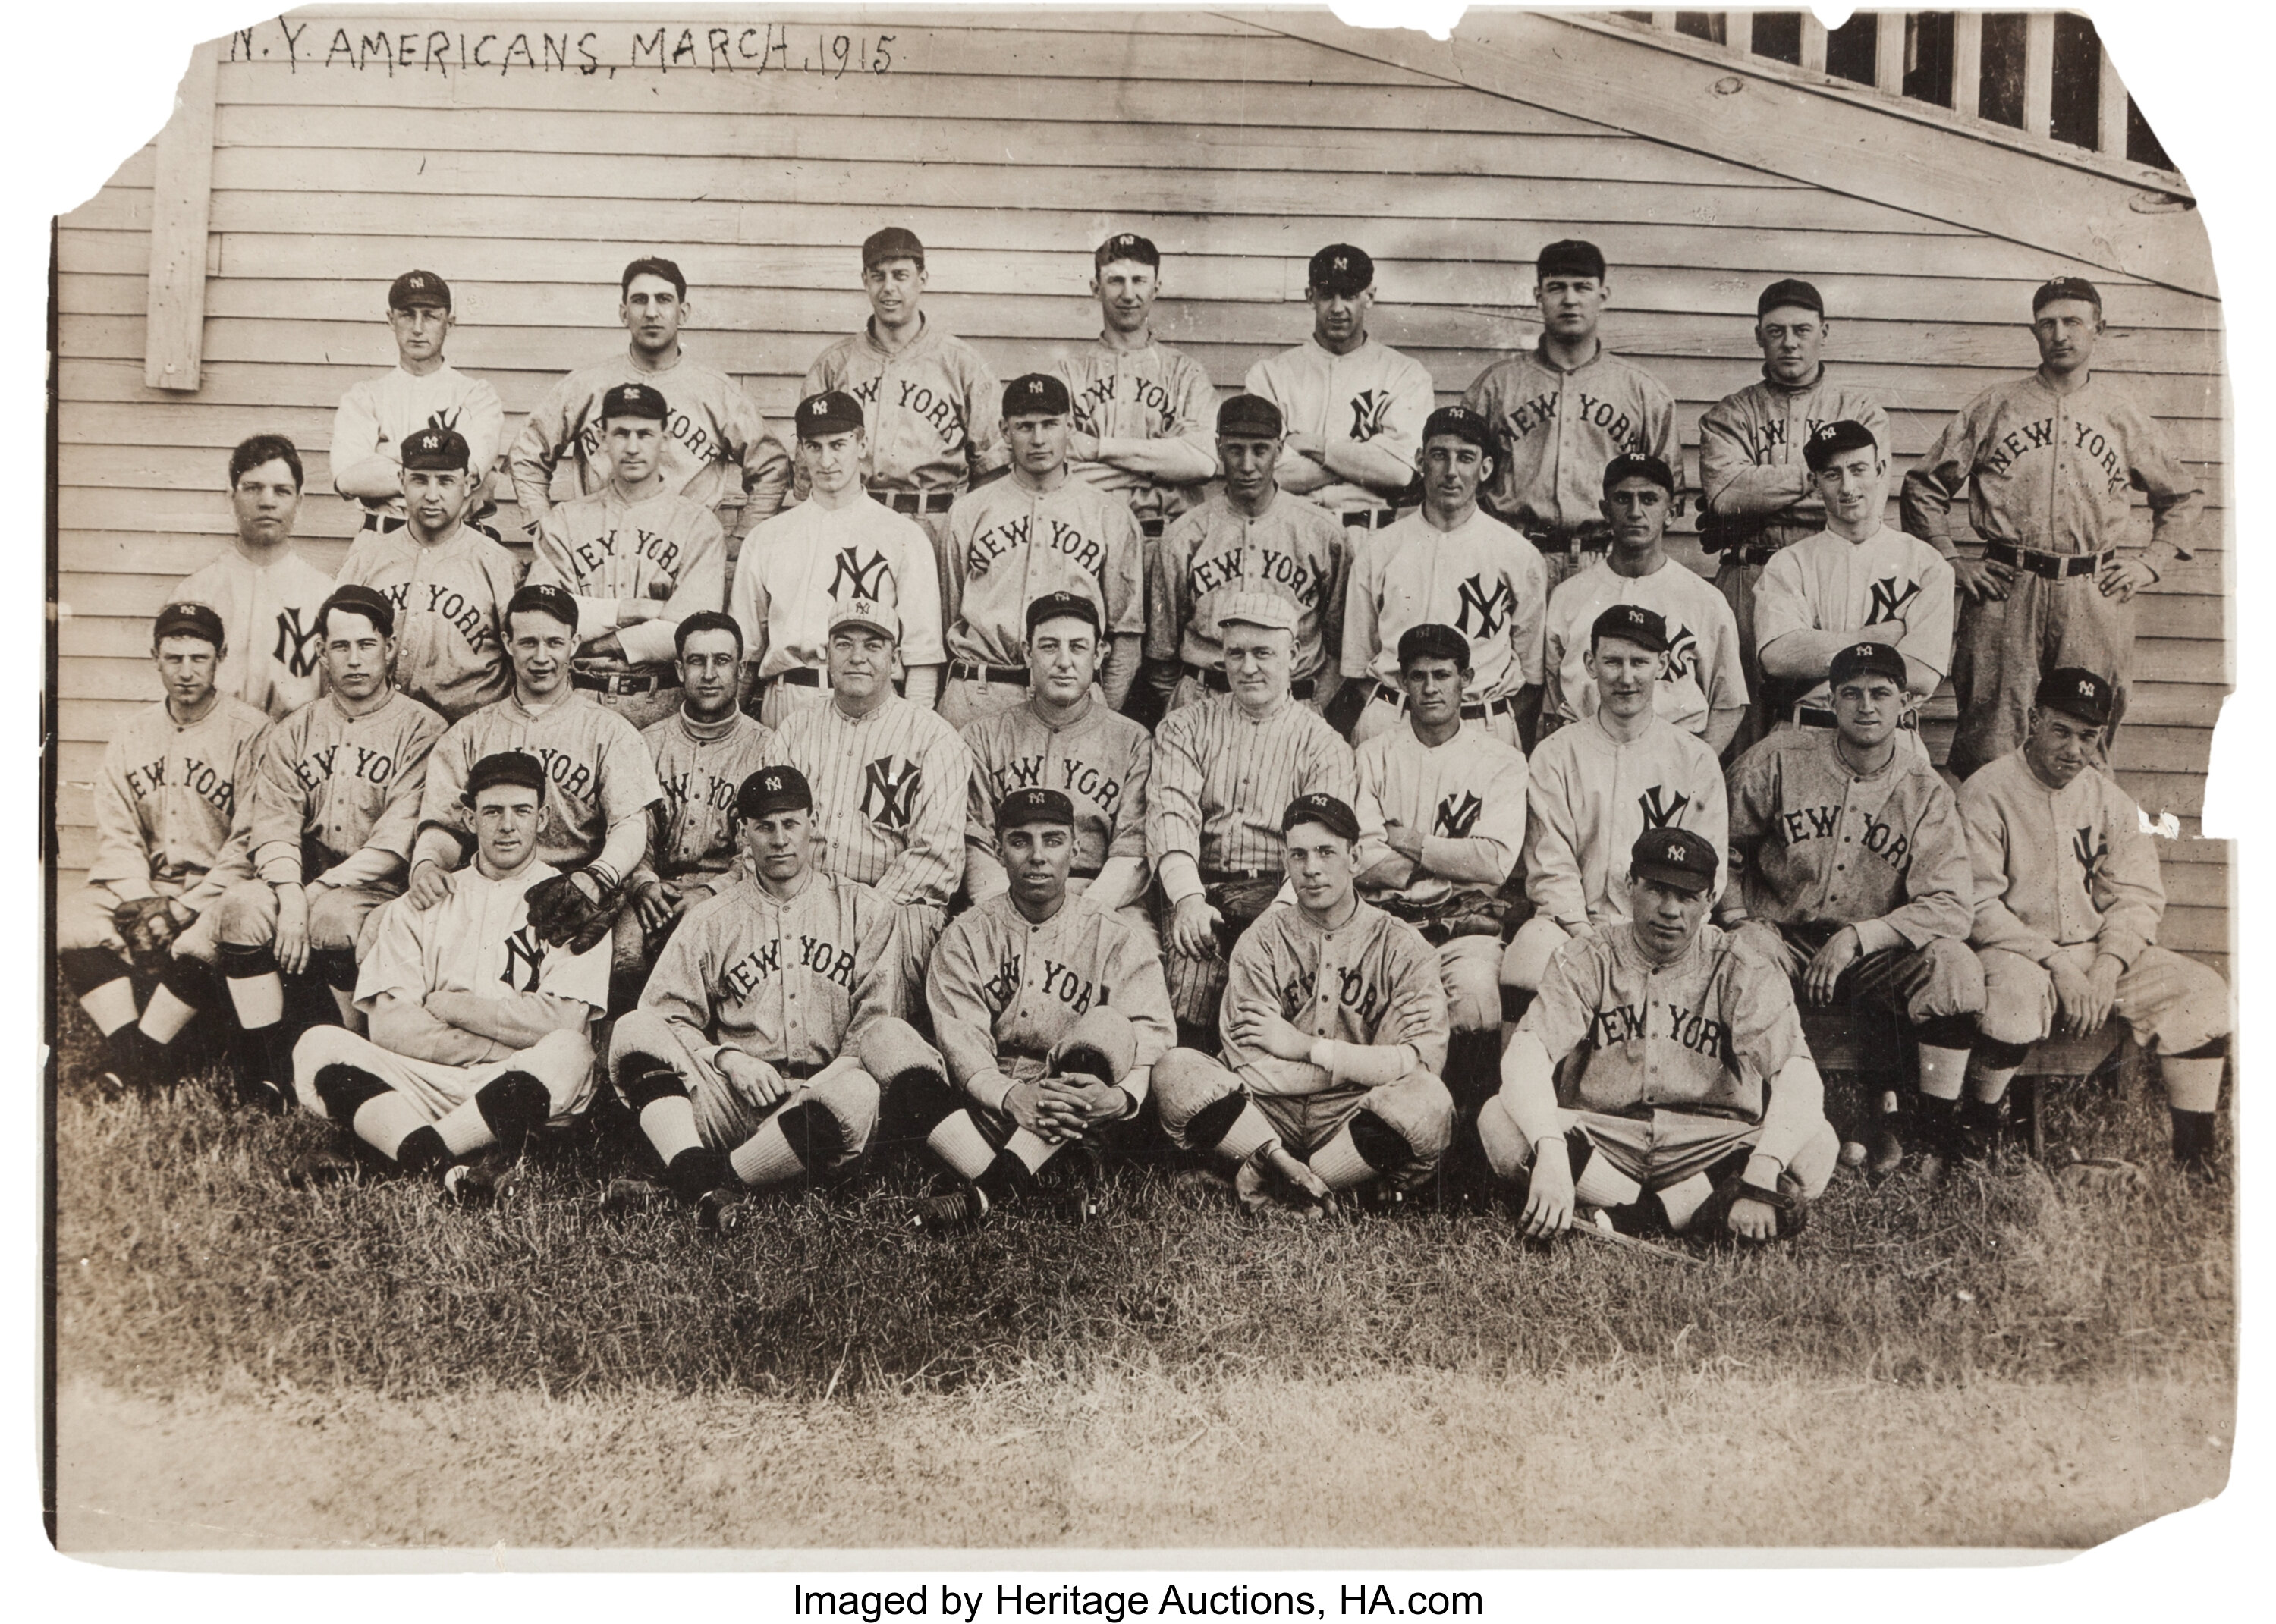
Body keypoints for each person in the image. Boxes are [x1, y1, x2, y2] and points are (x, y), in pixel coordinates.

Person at [1901, 276, 2203, 777]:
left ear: (2097, 330)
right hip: (2006, 590)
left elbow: (2182, 496)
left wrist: (2150, 563)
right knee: (1991, 738)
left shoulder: (2121, 415)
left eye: (2073, 322)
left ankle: (2073, 854)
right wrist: (1953, 562)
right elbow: (1923, 488)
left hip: (2092, 592)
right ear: (2034, 331)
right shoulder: (1995, 406)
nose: (2060, 334)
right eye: (2048, 323)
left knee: (2084, 736)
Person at [1480, 827, 1838, 1242]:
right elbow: (1528, 1054)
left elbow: (1796, 1073)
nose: (1670, 910)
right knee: (1499, 1121)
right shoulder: (1588, 956)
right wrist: (1552, 1151)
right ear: (1631, 885)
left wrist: (1763, 1166)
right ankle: (1685, 1211)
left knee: (1816, 1146)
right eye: (1657, 890)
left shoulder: (1742, 965)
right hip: (1604, 1136)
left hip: (1709, 1143)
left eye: (1687, 896)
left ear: (1709, 901)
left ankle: (1628, 1218)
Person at [289, 751, 607, 1201]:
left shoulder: (571, 902)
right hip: (427, 1079)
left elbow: (561, 1024)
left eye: (522, 810)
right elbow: (389, 1027)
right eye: (492, 811)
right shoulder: (424, 900)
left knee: (570, 1052)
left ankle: (397, 1151)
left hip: (517, 1080)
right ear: (469, 817)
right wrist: (498, 1037)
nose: (507, 825)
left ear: (544, 817)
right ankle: (449, 1164)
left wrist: (450, 1005)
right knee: (318, 1045)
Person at [1947, 669, 2230, 1174]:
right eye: (2061, 730)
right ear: (2033, 722)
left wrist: (2105, 968)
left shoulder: (2110, 800)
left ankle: (2195, 1159)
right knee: (2011, 1002)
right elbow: (1977, 904)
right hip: (2016, 950)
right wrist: (2058, 964)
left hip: (2097, 953)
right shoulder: (1986, 792)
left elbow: (2138, 897)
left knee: (2203, 991)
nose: (2075, 749)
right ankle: (1976, 1134)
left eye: (2088, 736)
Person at [604, 766, 911, 1228]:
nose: (779, 839)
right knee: (633, 1028)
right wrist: (729, 1060)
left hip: (821, 1099)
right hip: (735, 1097)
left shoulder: (865, 910)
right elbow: (666, 1015)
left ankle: (699, 1183)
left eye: (791, 823)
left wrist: (816, 1087)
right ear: (743, 833)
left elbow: (875, 1027)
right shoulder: (712, 917)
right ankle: (721, 1177)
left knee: (859, 1090)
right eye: (764, 826)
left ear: (814, 823)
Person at [1721, 640, 1983, 1176]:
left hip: (1872, 951)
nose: (1866, 706)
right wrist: (1738, 919)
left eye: (1881, 693)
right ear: (1832, 702)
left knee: (1956, 967)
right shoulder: (1778, 758)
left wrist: (1858, 939)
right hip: (1784, 936)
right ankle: (1760, 1119)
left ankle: (1932, 1133)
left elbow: (1951, 903)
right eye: (1852, 693)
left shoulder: (1924, 789)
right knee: (1742, 953)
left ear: (1905, 706)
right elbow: (1721, 847)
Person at [1152, 793, 1453, 1213]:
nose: (1311, 869)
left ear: (1355, 857)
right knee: (1175, 1070)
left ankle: (1280, 1178)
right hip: (1268, 1112)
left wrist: (1307, 1047)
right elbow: (1250, 1065)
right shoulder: (1262, 939)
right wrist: (1368, 1064)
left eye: (1326, 852)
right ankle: (1293, 1170)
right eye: (1298, 855)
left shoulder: (1403, 947)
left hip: (1353, 1116)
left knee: (1429, 1101)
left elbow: (1423, 1065)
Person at [208, 586, 448, 1108]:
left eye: (367, 644)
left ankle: (349, 1061)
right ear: (322, 653)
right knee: (241, 906)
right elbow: (273, 825)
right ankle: (267, 1069)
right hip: (301, 876)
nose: (355, 658)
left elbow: (396, 840)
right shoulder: (296, 729)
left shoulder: (424, 728)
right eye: (341, 646)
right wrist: (290, 895)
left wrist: (309, 896)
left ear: (390, 647)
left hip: (378, 885)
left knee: (333, 917)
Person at [899, 787, 1176, 1230]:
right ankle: (1039, 1183)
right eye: (1020, 840)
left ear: (1076, 847)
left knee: (1106, 1024)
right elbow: (963, 1047)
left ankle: (987, 1193)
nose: (1038, 856)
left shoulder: (1114, 934)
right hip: (988, 1110)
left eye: (1053, 839)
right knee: (887, 1041)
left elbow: (1151, 1035)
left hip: (1082, 1108)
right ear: (998, 849)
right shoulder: (967, 934)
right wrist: (1011, 1098)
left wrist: (1120, 1098)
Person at [57, 602, 269, 1095]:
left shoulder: (250, 731)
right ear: (155, 657)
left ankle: (139, 1060)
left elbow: (249, 841)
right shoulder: (132, 734)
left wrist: (181, 906)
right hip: (144, 889)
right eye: (174, 658)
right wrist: (140, 901)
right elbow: (118, 831)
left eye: (199, 657)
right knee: (70, 918)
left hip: (214, 888)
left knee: (218, 925)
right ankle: (134, 1048)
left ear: (222, 657)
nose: (187, 671)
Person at [407, 584, 663, 972]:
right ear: (508, 643)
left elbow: (629, 825)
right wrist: (427, 865)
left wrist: (597, 877)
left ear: (574, 643)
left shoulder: (610, 731)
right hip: (486, 888)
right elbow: (443, 824)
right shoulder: (470, 732)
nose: (542, 658)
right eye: (528, 643)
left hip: (575, 890)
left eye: (554, 643)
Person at [1147, 594, 1356, 1044]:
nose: (1247, 668)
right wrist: (1186, 900)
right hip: (1203, 893)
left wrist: (1280, 917)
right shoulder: (1184, 726)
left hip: (1286, 897)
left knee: (1276, 1008)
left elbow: (1320, 850)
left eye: (1263, 653)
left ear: (1293, 656)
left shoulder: (1323, 744)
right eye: (1236, 653)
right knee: (1189, 993)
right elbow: (1171, 817)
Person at [1697, 278, 1890, 757]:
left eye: (1802, 330)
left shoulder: (1860, 410)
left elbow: (1864, 499)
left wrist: (1762, 487)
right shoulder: (1731, 413)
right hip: (1750, 574)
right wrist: (1821, 475)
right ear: (1758, 335)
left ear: (1824, 331)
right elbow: (1725, 495)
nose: (1789, 342)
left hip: (1830, 576)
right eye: (1776, 331)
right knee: (1744, 719)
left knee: (1825, 716)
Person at [1504, 605, 1727, 1018]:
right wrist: (1589, 938)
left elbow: (1707, 871)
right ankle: (1526, 1080)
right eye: (1613, 662)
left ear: (1662, 665)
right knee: (1529, 953)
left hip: (1667, 930)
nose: (1627, 677)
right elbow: (1550, 867)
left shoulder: (1694, 758)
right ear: (1590, 664)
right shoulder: (1556, 753)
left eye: (1640, 662)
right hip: (1575, 927)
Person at [1350, 624, 1529, 1137]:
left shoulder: (1501, 761)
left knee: (1475, 993)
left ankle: (1468, 1132)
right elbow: (1361, 860)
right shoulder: (1374, 755)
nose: (1430, 688)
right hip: (1387, 919)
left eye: (1443, 675)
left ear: (1466, 679)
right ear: (1403, 683)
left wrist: (1411, 841)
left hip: (1465, 922)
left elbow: (1494, 862)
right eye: (1418, 676)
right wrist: (1448, 857)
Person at [509, 256, 789, 545]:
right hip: (598, 548)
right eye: (640, 300)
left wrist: (742, 538)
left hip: (685, 551)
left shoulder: (717, 392)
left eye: (664, 300)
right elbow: (528, 451)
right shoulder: (586, 385)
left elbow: (771, 467)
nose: (652, 312)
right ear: (623, 313)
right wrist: (543, 524)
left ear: (683, 312)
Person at [761, 594, 971, 976]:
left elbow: (935, 857)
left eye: (873, 645)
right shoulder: (794, 730)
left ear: (895, 659)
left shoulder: (934, 739)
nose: (857, 657)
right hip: (798, 898)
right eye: (845, 644)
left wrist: (855, 918)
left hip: (895, 909)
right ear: (827, 656)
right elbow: (766, 834)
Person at [1462, 240, 1677, 591]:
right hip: (1511, 553)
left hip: (1607, 559)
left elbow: (1669, 494)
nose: (1570, 300)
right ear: (1538, 295)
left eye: (1582, 288)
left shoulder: (1643, 392)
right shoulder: (1496, 386)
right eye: (1557, 288)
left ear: (1603, 295)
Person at [937, 373, 1144, 727]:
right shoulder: (970, 511)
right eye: (1025, 426)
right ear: (1005, 431)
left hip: (1071, 702)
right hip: (981, 692)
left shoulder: (1109, 515)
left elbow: (1125, 636)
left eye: (1050, 424)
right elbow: (948, 613)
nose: (1038, 439)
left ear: (1071, 426)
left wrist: (1101, 714)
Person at [729, 390, 948, 725]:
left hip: (871, 705)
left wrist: (915, 732)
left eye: (838, 445)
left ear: (862, 445)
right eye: (814, 446)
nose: (826, 460)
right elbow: (744, 652)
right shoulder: (767, 538)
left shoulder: (902, 536)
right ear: (800, 450)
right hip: (787, 700)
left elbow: (922, 656)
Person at [1338, 404, 1545, 749]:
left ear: (1485, 468)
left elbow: (1531, 677)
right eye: (1439, 455)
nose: (1451, 471)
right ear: (1421, 461)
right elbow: (1358, 667)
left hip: (1482, 723)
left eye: (1466, 458)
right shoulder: (1381, 548)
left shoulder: (1518, 554)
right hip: (1392, 719)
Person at [524, 381, 728, 731]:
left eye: (645, 434)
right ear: (603, 438)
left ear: (665, 440)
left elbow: (692, 633)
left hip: (662, 703)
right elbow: (542, 619)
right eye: (621, 433)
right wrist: (632, 611)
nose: (632, 447)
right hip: (577, 698)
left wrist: (595, 637)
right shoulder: (564, 521)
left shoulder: (698, 525)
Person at [800, 227, 1008, 560]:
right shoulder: (835, 364)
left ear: (922, 278)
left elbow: (994, 468)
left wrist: (966, 528)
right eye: (878, 276)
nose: (889, 288)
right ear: (865, 280)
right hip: (851, 524)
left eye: (901, 275)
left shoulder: (962, 363)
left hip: (935, 525)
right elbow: (805, 469)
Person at [1145, 394, 1347, 716]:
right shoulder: (1185, 535)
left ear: (1279, 451)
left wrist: (1312, 705)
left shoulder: (1322, 532)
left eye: (1260, 450)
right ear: (1218, 448)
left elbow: (1340, 648)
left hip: (1295, 704)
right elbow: (1161, 655)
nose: (1247, 465)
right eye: (1235, 450)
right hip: (1204, 699)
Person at [961, 593, 1152, 931]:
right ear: (1026, 652)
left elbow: (1133, 851)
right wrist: (1006, 912)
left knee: (1143, 959)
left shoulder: (1133, 741)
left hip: (1101, 899)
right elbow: (974, 842)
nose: (1064, 661)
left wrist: (1081, 916)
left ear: (1099, 655)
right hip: (1005, 898)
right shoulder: (983, 737)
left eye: (1078, 647)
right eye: (1049, 646)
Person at [1753, 421, 1954, 741]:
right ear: (1815, 483)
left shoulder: (1926, 563)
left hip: (1894, 738)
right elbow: (1778, 658)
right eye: (1832, 474)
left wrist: (1819, 650)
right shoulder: (1790, 563)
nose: (1847, 487)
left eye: (1858, 469)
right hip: (1808, 732)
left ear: (1880, 469)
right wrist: (1877, 638)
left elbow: (1922, 675)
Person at [1542, 454, 1746, 752]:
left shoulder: (1704, 599)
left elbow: (1729, 704)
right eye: (1623, 499)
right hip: (1586, 756)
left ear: (1672, 511)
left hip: (1673, 755)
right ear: (1605, 510)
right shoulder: (1569, 596)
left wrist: (1696, 769)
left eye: (1649, 499)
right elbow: (1552, 702)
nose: (1635, 511)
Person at [616, 613, 776, 991]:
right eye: (696, 661)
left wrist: (710, 892)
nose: (709, 674)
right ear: (679, 668)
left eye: (721, 661)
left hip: (734, 895)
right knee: (623, 959)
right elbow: (630, 830)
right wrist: (643, 883)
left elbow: (765, 847)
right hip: (654, 893)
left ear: (740, 668)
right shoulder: (647, 743)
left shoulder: (768, 747)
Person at [333, 426, 520, 722]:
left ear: (469, 482)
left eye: (446, 481)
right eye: (420, 480)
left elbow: (521, 660)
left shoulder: (498, 565)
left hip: (466, 736)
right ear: (401, 482)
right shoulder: (366, 561)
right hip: (381, 732)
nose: (432, 495)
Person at [1242, 244, 1432, 530]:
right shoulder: (1270, 375)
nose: (1338, 308)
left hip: (1371, 532)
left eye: (1350, 296)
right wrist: (1362, 458)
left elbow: (1399, 472)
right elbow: (1264, 473)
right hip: (1289, 529)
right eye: (1328, 295)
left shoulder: (1404, 373)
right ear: (1311, 297)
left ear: (1369, 297)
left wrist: (1313, 446)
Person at [1053, 231, 1219, 539]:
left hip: (1169, 537)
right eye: (1116, 281)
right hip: (1089, 535)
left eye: (1139, 281)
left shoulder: (1185, 373)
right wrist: (1163, 462)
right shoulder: (1068, 374)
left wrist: (1098, 448)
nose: (1128, 294)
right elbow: (1057, 467)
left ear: (1156, 289)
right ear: (1095, 289)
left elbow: (1204, 463)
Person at [329, 269, 507, 541]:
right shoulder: (365, 396)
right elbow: (348, 479)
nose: (418, 328)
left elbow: (467, 474)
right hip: (382, 537)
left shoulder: (475, 395)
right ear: (391, 319)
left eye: (430, 315)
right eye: (407, 314)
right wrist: (441, 469)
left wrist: (386, 458)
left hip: (457, 541)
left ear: (449, 321)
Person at [172, 435, 338, 720]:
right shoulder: (196, 593)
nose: (267, 502)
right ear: (231, 496)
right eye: (253, 488)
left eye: (281, 491)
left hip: (294, 748)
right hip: (215, 747)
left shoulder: (324, 595)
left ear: (299, 501)